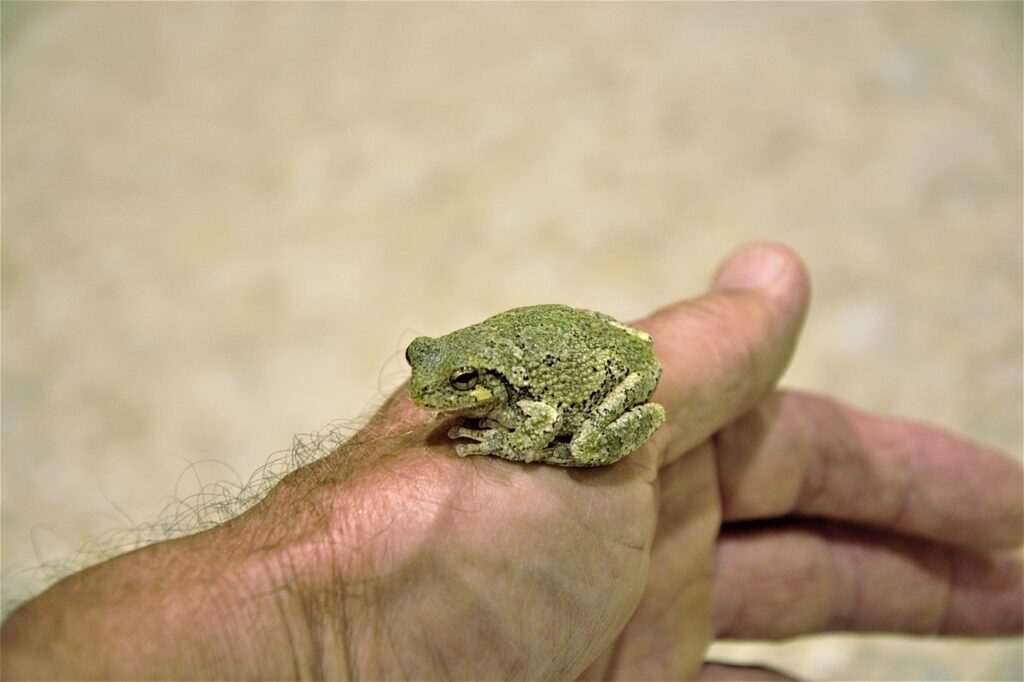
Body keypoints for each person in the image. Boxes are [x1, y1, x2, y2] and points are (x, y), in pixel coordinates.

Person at [2, 243, 1020, 681]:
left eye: (452, 389)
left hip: (607, 380)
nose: (430, 402)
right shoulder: (456, 377)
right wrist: (327, 625)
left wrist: (531, 438)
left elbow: (566, 414)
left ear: (486, 385)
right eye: (426, 378)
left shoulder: (519, 397)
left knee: (587, 436)